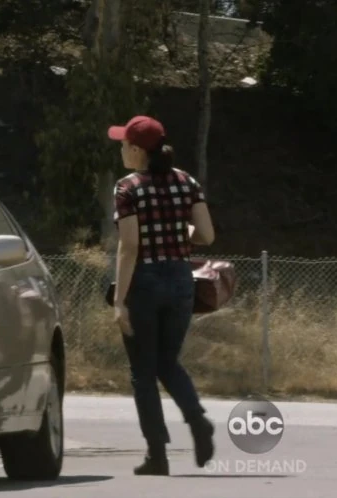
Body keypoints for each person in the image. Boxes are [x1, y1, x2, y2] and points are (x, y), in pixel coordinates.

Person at [106, 115, 216, 476]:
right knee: (167, 363)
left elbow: (129, 246)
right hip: (182, 280)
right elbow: (206, 235)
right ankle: (197, 421)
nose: (122, 149)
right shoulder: (187, 181)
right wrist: (176, 230)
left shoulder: (128, 188)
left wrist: (119, 301)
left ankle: (157, 454)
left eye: (125, 144)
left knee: (143, 371)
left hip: (145, 282)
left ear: (137, 150)